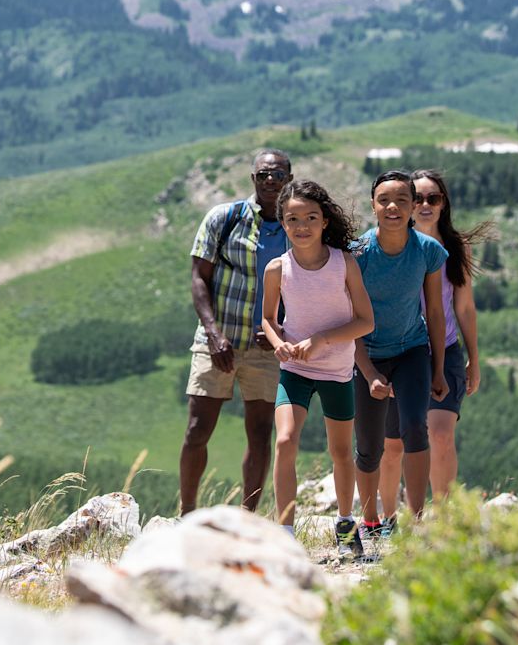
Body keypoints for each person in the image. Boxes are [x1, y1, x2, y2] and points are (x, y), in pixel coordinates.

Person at [260, 180, 374, 557]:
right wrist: (279, 345)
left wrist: (323, 340)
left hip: (337, 370)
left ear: (325, 220)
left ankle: (344, 523)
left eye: (310, 217)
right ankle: (285, 533)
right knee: (284, 440)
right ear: (283, 224)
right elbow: (267, 319)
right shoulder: (277, 269)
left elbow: (365, 322)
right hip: (295, 370)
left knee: (340, 452)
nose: (302, 225)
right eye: (292, 219)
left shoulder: (345, 264)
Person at [179, 148, 293, 514]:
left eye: (278, 175)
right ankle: (188, 513)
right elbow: (199, 277)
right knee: (197, 429)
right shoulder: (223, 218)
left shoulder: (298, 225)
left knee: (260, 435)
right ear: (253, 179)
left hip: (266, 350)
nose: (271, 181)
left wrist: (281, 330)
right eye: (264, 175)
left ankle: (247, 517)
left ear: (289, 179)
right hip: (217, 342)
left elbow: (307, 286)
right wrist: (212, 333)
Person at [379, 168, 490, 518]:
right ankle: (387, 520)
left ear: (444, 204)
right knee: (394, 445)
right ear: (409, 203)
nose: (426, 204)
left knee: (441, 435)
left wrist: (474, 359)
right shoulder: (394, 245)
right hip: (398, 352)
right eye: (420, 198)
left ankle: (441, 521)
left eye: (434, 198)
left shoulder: (458, 249)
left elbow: (465, 307)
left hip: (447, 351)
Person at [352, 170, 449, 547]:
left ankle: (417, 520)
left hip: (411, 350)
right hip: (368, 353)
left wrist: (438, 367)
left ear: (412, 207)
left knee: (413, 428)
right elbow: (350, 318)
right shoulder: (358, 254)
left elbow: (436, 313)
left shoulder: (427, 250)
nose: (393, 207)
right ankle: (372, 521)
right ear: (374, 205)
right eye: (384, 200)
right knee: (370, 445)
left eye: (402, 201)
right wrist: (369, 371)